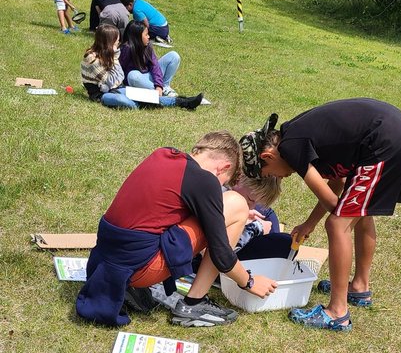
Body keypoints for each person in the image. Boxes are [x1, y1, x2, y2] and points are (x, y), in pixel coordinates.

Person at [240, 100, 401, 332]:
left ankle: (337, 312)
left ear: (267, 156)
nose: (278, 178)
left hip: (384, 140)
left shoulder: (291, 148)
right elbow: (338, 182)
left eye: (267, 175)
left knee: (337, 224)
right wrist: (309, 224)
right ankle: (359, 287)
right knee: (360, 214)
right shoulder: (299, 137)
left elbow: (332, 203)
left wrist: (327, 221)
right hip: (395, 133)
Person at [75, 135, 277, 328]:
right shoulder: (205, 180)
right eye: (224, 182)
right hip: (140, 268)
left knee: (233, 208)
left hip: (105, 262)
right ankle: (193, 304)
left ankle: (132, 287)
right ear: (224, 167)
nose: (221, 188)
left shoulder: (163, 154)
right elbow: (222, 254)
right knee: (237, 204)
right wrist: (249, 282)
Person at [101, 21, 203, 110]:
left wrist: (159, 85)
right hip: (136, 82)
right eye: (146, 35)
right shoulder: (127, 48)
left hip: (149, 77)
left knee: (173, 56)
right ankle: (166, 97)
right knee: (133, 75)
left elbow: (155, 66)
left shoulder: (148, 46)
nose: (149, 37)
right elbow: (120, 71)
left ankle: (165, 87)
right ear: (137, 37)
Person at [80, 25, 124, 102]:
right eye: (117, 41)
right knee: (121, 99)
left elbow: (121, 76)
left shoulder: (106, 53)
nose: (118, 43)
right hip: (99, 93)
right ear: (110, 42)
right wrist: (114, 57)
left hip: (112, 89)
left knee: (135, 94)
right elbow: (111, 81)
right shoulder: (91, 58)